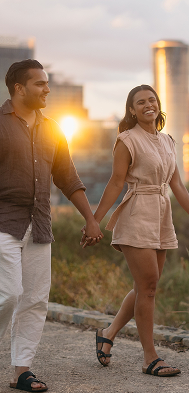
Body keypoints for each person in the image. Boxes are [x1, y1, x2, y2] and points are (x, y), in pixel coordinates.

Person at [81, 84, 189, 377]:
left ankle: (108, 333)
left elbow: (177, 184)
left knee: (146, 288)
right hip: (136, 212)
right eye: (140, 102)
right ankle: (149, 358)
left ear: (158, 104)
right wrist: (94, 220)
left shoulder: (168, 141)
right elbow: (115, 183)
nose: (147, 105)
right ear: (132, 109)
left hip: (161, 214)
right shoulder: (126, 140)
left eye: (152, 100)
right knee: (149, 286)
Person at [0, 59, 103, 392]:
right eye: (40, 84)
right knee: (8, 295)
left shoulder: (53, 129)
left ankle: (21, 372)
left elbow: (68, 178)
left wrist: (90, 219)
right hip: (3, 223)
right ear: (19, 88)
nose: (47, 89)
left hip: (39, 225)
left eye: (47, 83)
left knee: (34, 299)